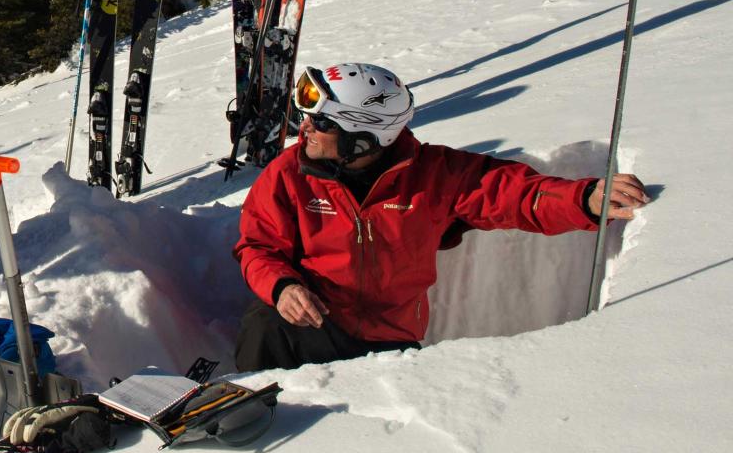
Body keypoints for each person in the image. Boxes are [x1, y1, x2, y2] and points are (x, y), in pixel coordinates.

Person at [232, 62, 648, 373]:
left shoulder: (432, 175)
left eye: (321, 122)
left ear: (362, 138)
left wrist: (584, 198)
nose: (304, 129)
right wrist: (283, 287)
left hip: (389, 342)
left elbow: (513, 192)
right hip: (314, 325)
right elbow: (258, 246)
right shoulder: (289, 174)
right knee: (265, 324)